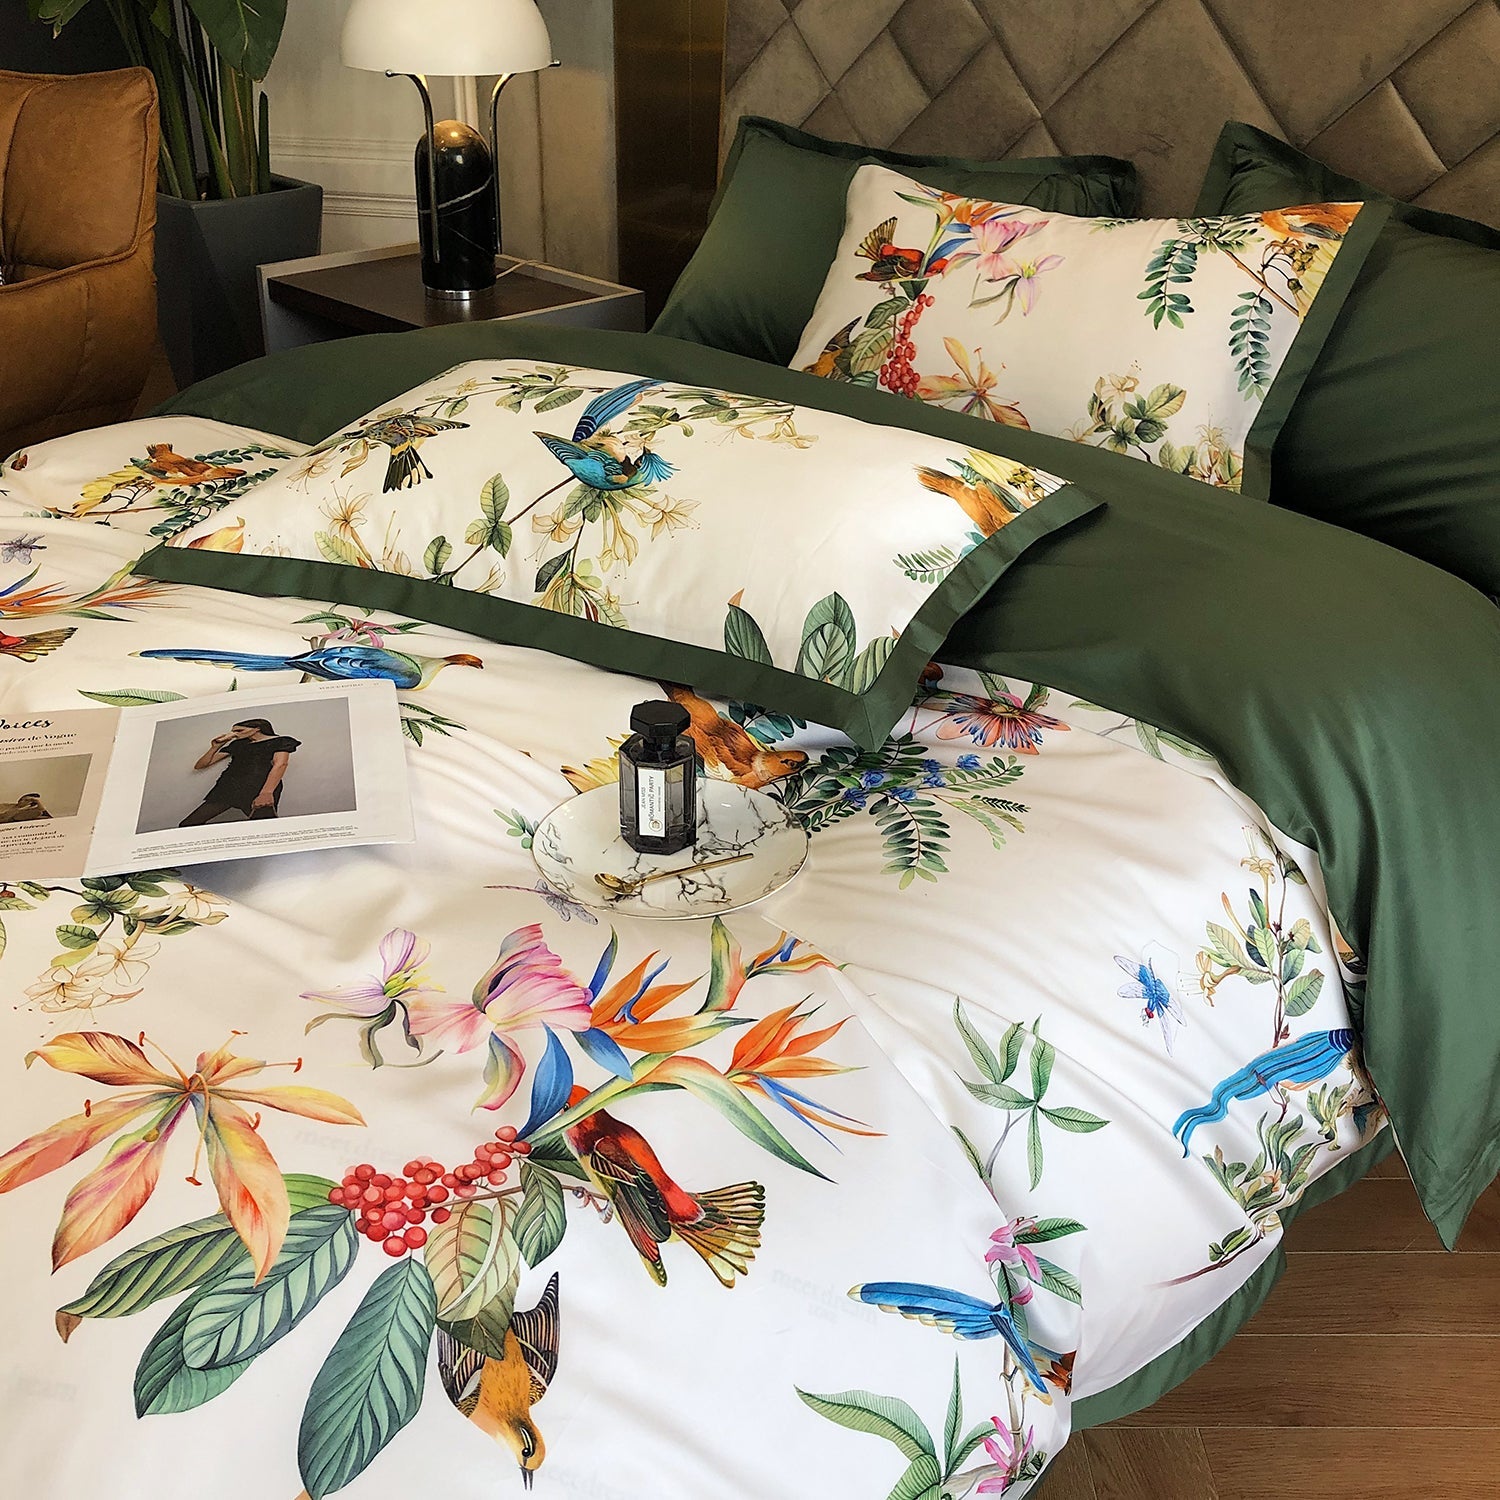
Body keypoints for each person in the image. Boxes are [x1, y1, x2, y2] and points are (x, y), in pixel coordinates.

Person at [179, 718, 301, 827]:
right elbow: (201, 765)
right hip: (229, 787)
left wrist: (266, 793)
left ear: (256, 729)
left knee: (264, 827)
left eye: (239, 731)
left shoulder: (280, 741)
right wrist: (215, 747)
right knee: (189, 824)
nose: (234, 734)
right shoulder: (238, 744)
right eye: (233, 731)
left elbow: (280, 764)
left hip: (259, 787)